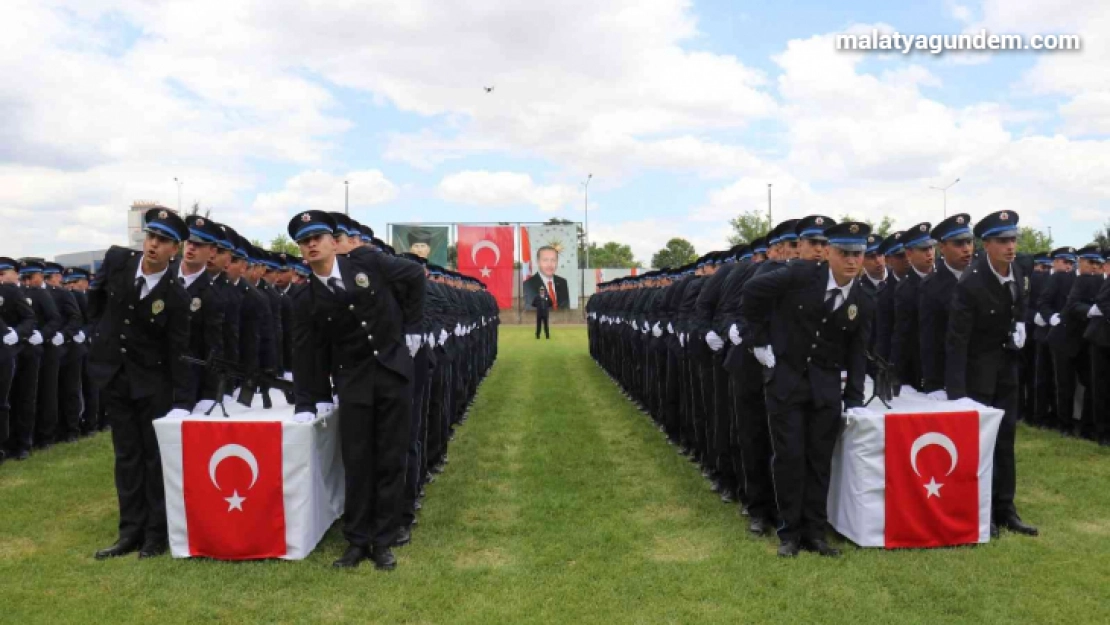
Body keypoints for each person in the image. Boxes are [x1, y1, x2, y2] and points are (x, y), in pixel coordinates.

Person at [288, 210, 425, 570]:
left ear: (334, 241)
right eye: (305, 241)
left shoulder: (366, 262)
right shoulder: (305, 300)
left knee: (391, 459)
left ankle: (384, 540)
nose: (312, 244)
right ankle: (356, 541)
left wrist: (410, 328)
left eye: (318, 237)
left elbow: (414, 274)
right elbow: (305, 354)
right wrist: (306, 401)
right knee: (358, 462)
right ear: (301, 251)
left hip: (393, 374)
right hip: (353, 383)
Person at [739, 221, 874, 557]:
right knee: (789, 457)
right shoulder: (800, 275)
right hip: (787, 381)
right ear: (828, 252)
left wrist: (854, 397)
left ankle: (815, 533)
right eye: (844, 253)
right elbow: (752, 293)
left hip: (825, 386)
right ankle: (789, 532)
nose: (852, 261)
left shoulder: (862, 296)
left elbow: (858, 350)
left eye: (858, 254)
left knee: (819, 460)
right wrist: (759, 341)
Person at [89, 208, 192, 559]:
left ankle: (154, 534)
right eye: (151, 237)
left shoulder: (175, 294)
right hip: (115, 376)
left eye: (162, 241)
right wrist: (98, 338)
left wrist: (182, 400)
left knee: (153, 459)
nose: (153, 244)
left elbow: (178, 348)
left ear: (174, 249)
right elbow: (96, 300)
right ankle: (129, 532)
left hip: (153, 383)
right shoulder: (118, 260)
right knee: (126, 457)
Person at [945, 210, 1037, 538]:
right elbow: (956, 342)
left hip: (1007, 370)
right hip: (976, 375)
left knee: (1006, 440)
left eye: (1013, 239)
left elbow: (1020, 301)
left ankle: (1005, 508)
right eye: (1002, 241)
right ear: (987, 245)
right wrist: (956, 395)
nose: (1010, 246)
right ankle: (981, 511)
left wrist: (1021, 324)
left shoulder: (1020, 269)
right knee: (980, 445)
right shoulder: (971, 283)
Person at [919, 214, 974, 398]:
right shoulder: (931, 286)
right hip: (951, 374)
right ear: (942, 247)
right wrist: (933, 383)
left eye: (969, 242)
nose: (966, 249)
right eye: (958, 244)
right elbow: (930, 338)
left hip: (984, 372)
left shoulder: (981, 277)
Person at [0, 257, 36, 464]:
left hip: (15, 351)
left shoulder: (11, 291)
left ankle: (21, 444)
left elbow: (29, 318)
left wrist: (17, 333)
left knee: (20, 399)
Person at [890, 222, 934, 392]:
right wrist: (898, 375)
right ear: (909, 253)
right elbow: (902, 335)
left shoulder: (944, 279)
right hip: (918, 363)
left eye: (931, 248)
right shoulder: (905, 288)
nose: (929, 253)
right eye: (924, 250)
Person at [523, 245, 570, 311]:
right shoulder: (528, 285)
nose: (549, 264)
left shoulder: (563, 282)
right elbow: (532, 312)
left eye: (553, 260)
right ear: (538, 262)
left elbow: (565, 309)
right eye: (545, 260)